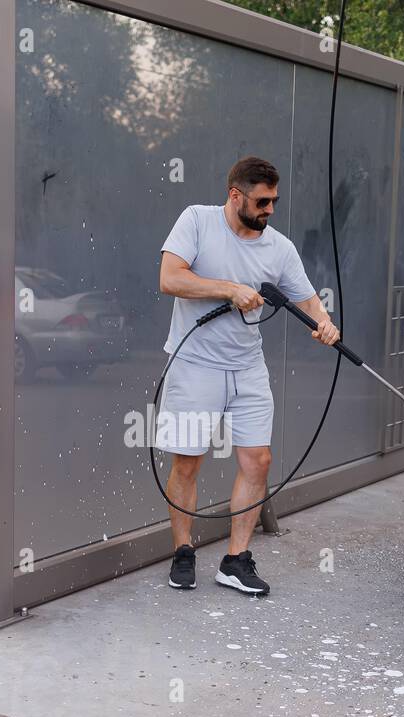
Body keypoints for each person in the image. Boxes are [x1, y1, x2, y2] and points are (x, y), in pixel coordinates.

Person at [157, 156, 340, 596]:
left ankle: (235, 560)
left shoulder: (279, 247)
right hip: (193, 364)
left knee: (258, 460)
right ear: (235, 195)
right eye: (262, 201)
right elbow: (170, 278)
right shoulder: (197, 221)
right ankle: (183, 551)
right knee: (188, 461)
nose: (270, 210)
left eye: (274, 201)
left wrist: (325, 321)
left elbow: (308, 298)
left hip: (247, 368)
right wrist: (229, 288)